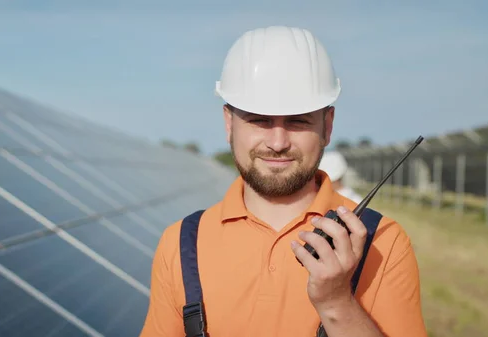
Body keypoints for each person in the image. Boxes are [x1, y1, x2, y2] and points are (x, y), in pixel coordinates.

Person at [139, 26, 427, 337]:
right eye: (259, 120)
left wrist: (337, 303)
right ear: (228, 123)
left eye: (298, 121)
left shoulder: (382, 241)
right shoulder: (181, 243)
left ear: (327, 126)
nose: (277, 142)